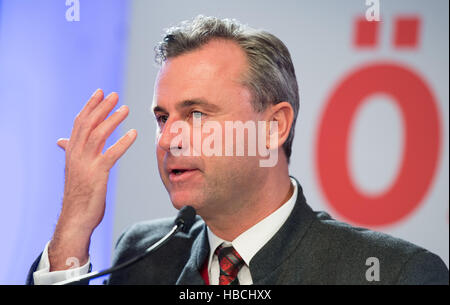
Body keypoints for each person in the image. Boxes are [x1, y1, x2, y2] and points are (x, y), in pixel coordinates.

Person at [27, 15, 448, 285]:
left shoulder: (392, 273)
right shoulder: (141, 256)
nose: (169, 138)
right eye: (162, 117)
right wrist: (74, 232)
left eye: (196, 114)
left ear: (273, 127)